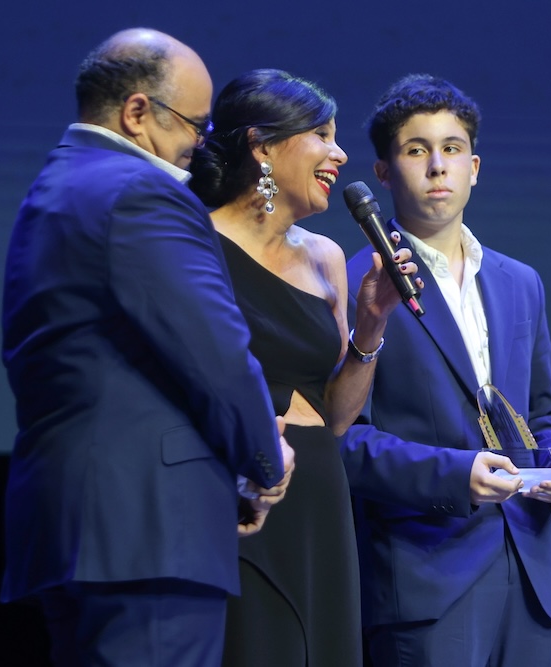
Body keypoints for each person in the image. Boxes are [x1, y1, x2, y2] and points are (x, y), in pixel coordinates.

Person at [0, 29, 294, 667]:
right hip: (146, 532)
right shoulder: (141, 193)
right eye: (196, 122)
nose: (201, 144)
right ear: (137, 113)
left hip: (75, 526)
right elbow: (216, 354)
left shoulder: (52, 191)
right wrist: (264, 464)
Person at [339, 74, 551, 667]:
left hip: (533, 570)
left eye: (451, 150)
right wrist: (456, 474)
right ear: (383, 172)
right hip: (427, 577)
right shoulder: (355, 283)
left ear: (474, 166)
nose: (437, 168)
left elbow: (545, 411)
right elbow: (344, 440)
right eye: (416, 150)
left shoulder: (519, 282)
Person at [188, 69, 420, 667]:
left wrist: (370, 326)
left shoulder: (323, 257)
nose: (339, 153)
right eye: (321, 134)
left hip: (319, 492)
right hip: (243, 495)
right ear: (262, 145)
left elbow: (338, 416)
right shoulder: (191, 245)